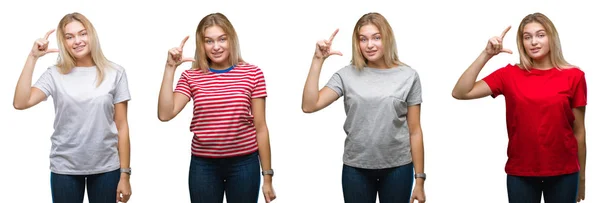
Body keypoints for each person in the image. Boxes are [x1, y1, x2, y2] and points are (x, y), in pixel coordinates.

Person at [451, 12, 587, 203]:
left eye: (541, 35)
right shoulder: (509, 75)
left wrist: (581, 178)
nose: (534, 42)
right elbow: (460, 92)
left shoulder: (574, 76)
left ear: (552, 37)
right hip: (521, 172)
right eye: (527, 37)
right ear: (521, 42)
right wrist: (486, 54)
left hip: (564, 172)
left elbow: (579, 132)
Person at [301, 12, 426, 203]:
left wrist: (419, 179)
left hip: (398, 168)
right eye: (363, 39)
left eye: (377, 37)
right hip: (356, 168)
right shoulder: (346, 75)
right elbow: (309, 105)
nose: (370, 45)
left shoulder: (408, 76)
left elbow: (415, 131)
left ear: (387, 38)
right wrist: (318, 59)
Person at [12, 12, 132, 203]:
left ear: (91, 35)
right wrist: (33, 57)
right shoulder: (54, 74)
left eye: (82, 34)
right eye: (69, 37)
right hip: (65, 168)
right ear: (63, 42)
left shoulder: (115, 72)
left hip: (106, 168)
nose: (77, 41)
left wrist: (125, 174)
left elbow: (122, 126)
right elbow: (20, 102)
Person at [157, 12, 276, 203]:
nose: (216, 47)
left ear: (231, 39)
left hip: (244, 164)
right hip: (204, 166)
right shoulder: (191, 76)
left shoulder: (252, 74)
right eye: (209, 41)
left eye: (222, 39)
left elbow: (261, 128)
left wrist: (268, 176)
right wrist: (170, 67)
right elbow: (165, 114)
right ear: (201, 44)